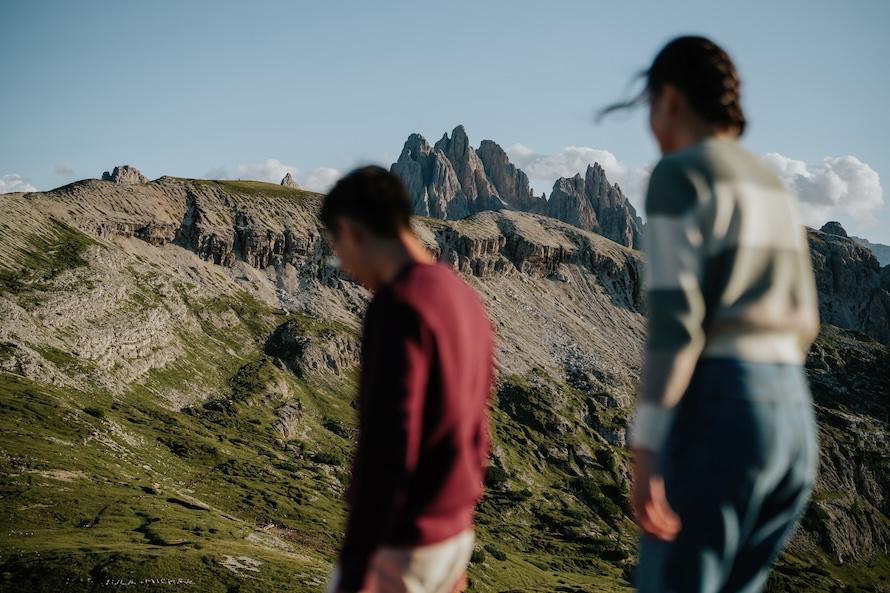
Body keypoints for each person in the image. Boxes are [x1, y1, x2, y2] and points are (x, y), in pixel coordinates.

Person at [603, 36, 821, 592]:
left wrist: (646, 444)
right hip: (792, 419)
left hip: (723, 405)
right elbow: (808, 321)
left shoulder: (681, 174)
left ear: (669, 97)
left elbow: (678, 325)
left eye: (649, 107)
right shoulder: (771, 184)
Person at [320, 166, 495, 593]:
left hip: (403, 543)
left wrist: (358, 565)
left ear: (350, 230)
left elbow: (389, 448)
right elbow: (475, 424)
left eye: (335, 248)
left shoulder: (398, 305)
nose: (342, 266)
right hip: (450, 535)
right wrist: (457, 542)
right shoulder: (462, 295)